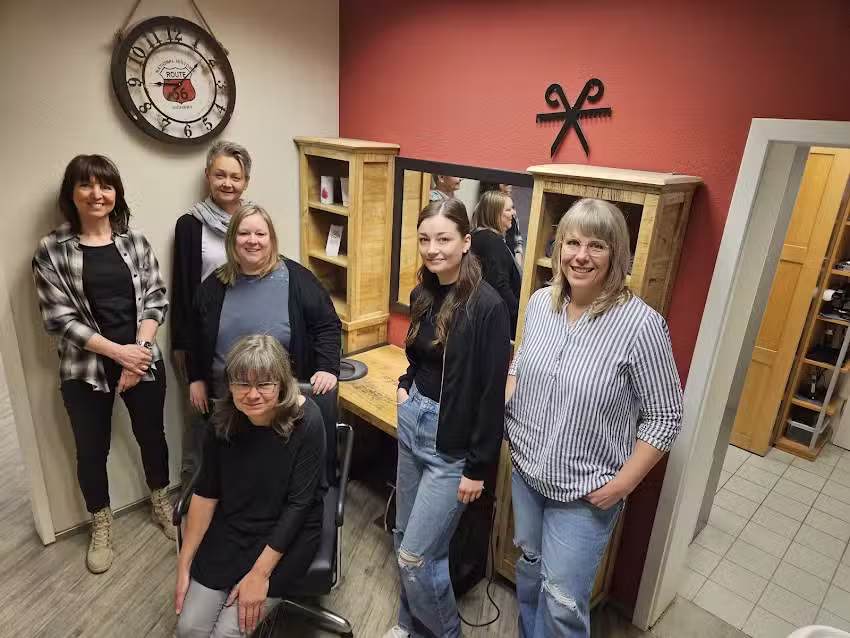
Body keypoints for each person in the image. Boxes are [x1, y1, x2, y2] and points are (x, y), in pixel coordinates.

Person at [504, 198, 683, 638]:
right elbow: (520, 363)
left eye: (596, 245)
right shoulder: (542, 303)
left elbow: (665, 417)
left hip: (584, 495)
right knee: (530, 573)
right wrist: (509, 415)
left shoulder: (642, 326)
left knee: (563, 603)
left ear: (616, 255)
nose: (580, 256)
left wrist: (622, 485)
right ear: (558, 246)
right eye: (572, 242)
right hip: (527, 475)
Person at [32, 154, 173, 574]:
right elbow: (58, 319)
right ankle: (101, 522)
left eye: (106, 186)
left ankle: (161, 502)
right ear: (71, 194)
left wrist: (138, 354)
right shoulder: (52, 250)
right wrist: (119, 353)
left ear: (116, 193)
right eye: (87, 185)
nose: (97, 194)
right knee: (91, 451)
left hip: (142, 359)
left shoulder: (135, 242)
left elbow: (155, 297)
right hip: (85, 369)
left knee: (153, 435)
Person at [383, 199, 511, 638]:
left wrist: (477, 468)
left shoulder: (488, 306)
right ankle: (409, 624)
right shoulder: (424, 291)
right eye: (424, 239)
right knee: (403, 536)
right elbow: (418, 355)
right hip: (413, 419)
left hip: (451, 443)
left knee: (417, 556)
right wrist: (404, 385)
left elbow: (493, 395)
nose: (432, 249)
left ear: (466, 241)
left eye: (443, 238)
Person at [175, 335, 326, 638]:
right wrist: (184, 564)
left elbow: (298, 507)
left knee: (227, 633)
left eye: (264, 384)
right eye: (242, 384)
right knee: (190, 629)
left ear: (281, 384)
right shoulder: (220, 421)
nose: (252, 394)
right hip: (234, 524)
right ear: (229, 385)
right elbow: (206, 493)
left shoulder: (308, 421)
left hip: (287, 533)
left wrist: (260, 574)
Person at [187, 204, 341, 413]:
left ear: (271, 240)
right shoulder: (212, 287)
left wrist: (327, 368)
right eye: (243, 233)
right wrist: (196, 378)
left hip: (283, 405)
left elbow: (327, 325)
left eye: (260, 233)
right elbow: (195, 336)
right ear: (232, 239)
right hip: (226, 404)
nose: (252, 240)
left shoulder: (299, 280)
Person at [171, 141, 252, 484]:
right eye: (220, 174)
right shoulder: (190, 225)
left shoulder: (253, 222)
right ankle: (196, 494)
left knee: (247, 415)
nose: (227, 183)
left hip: (247, 337)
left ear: (246, 181)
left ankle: (239, 489)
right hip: (205, 341)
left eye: (235, 176)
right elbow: (182, 290)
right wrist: (186, 356)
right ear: (208, 176)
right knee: (202, 421)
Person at [471, 189, 522, 335]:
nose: (513, 213)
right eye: (508, 209)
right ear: (495, 213)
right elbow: (500, 287)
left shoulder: (481, 236)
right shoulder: (491, 242)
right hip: (498, 324)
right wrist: (520, 316)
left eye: (513, 208)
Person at [480, 182, 524, 268]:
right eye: (508, 210)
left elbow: (517, 240)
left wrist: (518, 268)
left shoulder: (512, 216)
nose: (513, 213)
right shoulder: (489, 240)